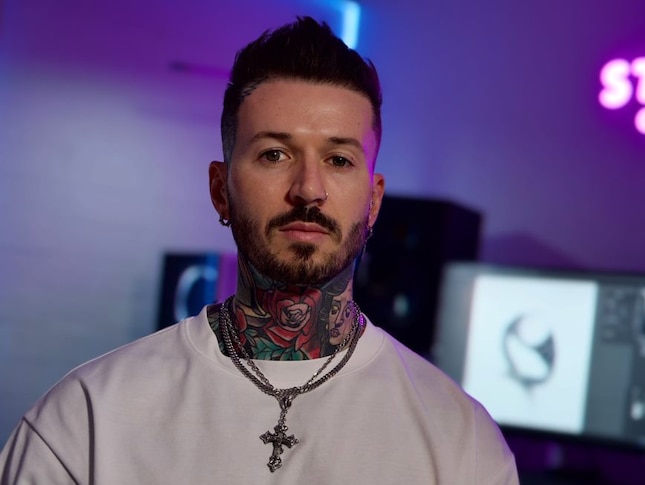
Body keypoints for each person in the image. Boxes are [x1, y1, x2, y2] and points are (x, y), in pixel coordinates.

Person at [0, 17, 519, 484]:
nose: (309, 188)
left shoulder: (460, 440)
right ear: (220, 189)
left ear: (374, 200)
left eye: (339, 160)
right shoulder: (87, 419)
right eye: (274, 154)